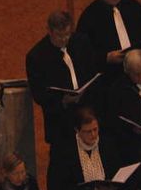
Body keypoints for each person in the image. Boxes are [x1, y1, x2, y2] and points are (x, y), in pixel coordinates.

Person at [46, 106, 130, 190]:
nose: (93, 135)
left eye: (95, 130)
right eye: (87, 132)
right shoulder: (64, 151)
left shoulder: (107, 144)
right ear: (77, 131)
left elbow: (116, 172)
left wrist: (111, 188)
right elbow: (59, 186)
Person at [25, 10, 98, 147]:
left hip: (86, 112)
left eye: (67, 34)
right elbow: (39, 94)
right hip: (60, 121)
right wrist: (62, 100)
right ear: (49, 31)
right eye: (59, 36)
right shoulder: (37, 57)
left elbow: (92, 72)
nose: (64, 39)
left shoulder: (81, 42)